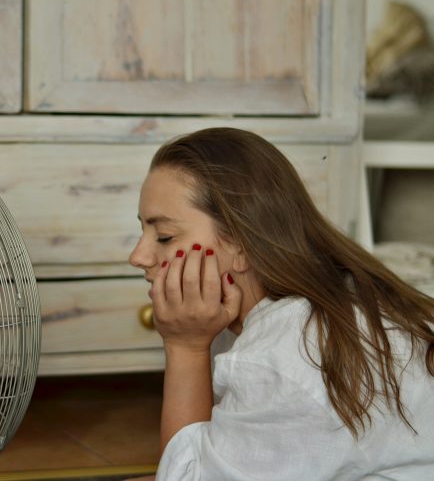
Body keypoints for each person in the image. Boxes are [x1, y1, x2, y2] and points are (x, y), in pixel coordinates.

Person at [127, 128, 434, 480]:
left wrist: (184, 347)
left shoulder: (278, 361)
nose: (138, 256)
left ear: (241, 243)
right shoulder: (320, 299)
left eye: (164, 236)